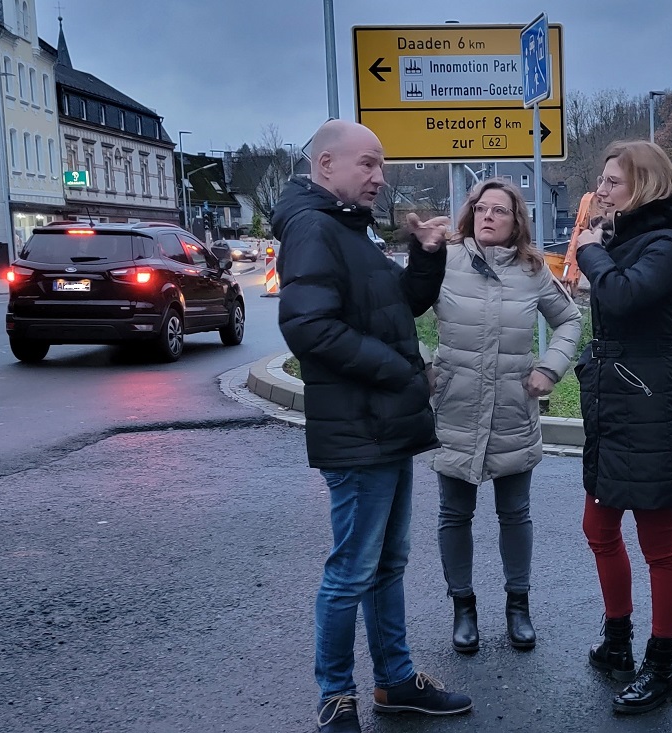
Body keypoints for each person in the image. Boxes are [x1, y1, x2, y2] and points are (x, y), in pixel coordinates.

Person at [273, 119, 472, 733]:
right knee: (352, 571)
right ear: (326, 164)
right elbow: (307, 328)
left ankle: (394, 681)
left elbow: (398, 306)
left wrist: (427, 255)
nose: (379, 178)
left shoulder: (348, 229)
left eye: (381, 166)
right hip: (359, 430)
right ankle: (336, 697)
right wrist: (397, 373)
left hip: (384, 426)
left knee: (387, 563)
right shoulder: (313, 228)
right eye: (368, 164)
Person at [574, 140, 672, 715]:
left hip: (650, 398)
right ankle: (619, 639)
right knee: (598, 524)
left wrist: (591, 254)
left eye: (612, 183)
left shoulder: (670, 240)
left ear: (644, 185)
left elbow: (624, 296)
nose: (601, 190)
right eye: (601, 181)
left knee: (659, 543)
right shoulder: (627, 237)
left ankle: (661, 664)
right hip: (612, 395)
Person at [430, 179, 582, 654]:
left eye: (500, 210)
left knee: (515, 514)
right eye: (481, 208)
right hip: (455, 409)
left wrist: (549, 369)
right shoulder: (445, 260)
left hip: (513, 412)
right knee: (455, 514)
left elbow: (570, 320)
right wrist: (423, 368)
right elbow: (396, 310)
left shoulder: (533, 269)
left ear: (517, 221)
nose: (489, 216)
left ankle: (519, 607)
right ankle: (464, 608)